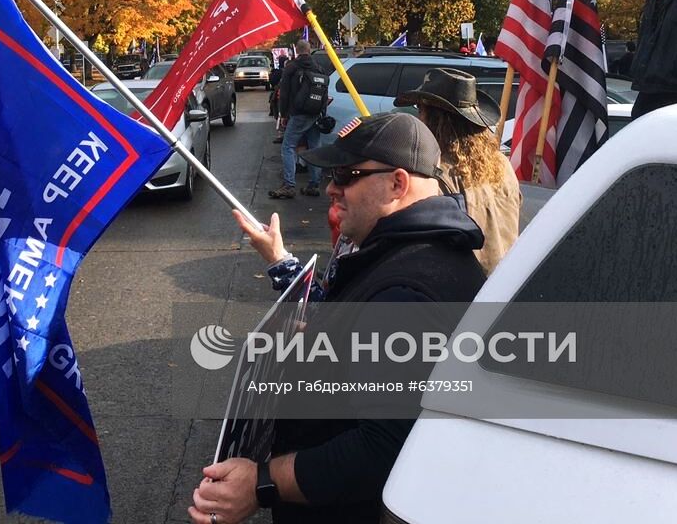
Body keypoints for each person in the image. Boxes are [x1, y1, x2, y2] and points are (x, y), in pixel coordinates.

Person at [197, 112, 487, 524]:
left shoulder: (405, 291)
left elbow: (383, 449)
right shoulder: (415, 253)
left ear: (398, 183)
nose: (331, 188)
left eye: (347, 175)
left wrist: (261, 483)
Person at [394, 68, 520, 274]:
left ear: (437, 118)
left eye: (421, 109)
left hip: (463, 291)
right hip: (505, 283)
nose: (419, 116)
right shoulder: (501, 163)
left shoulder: (435, 174)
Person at [271, 40, 324, 198]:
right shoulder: (318, 67)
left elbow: (285, 93)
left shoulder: (292, 67)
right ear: (309, 50)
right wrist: (322, 112)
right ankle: (314, 184)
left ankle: (289, 185)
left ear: (297, 51)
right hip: (315, 113)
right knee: (314, 148)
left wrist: (283, 114)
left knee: (288, 147)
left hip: (298, 113)